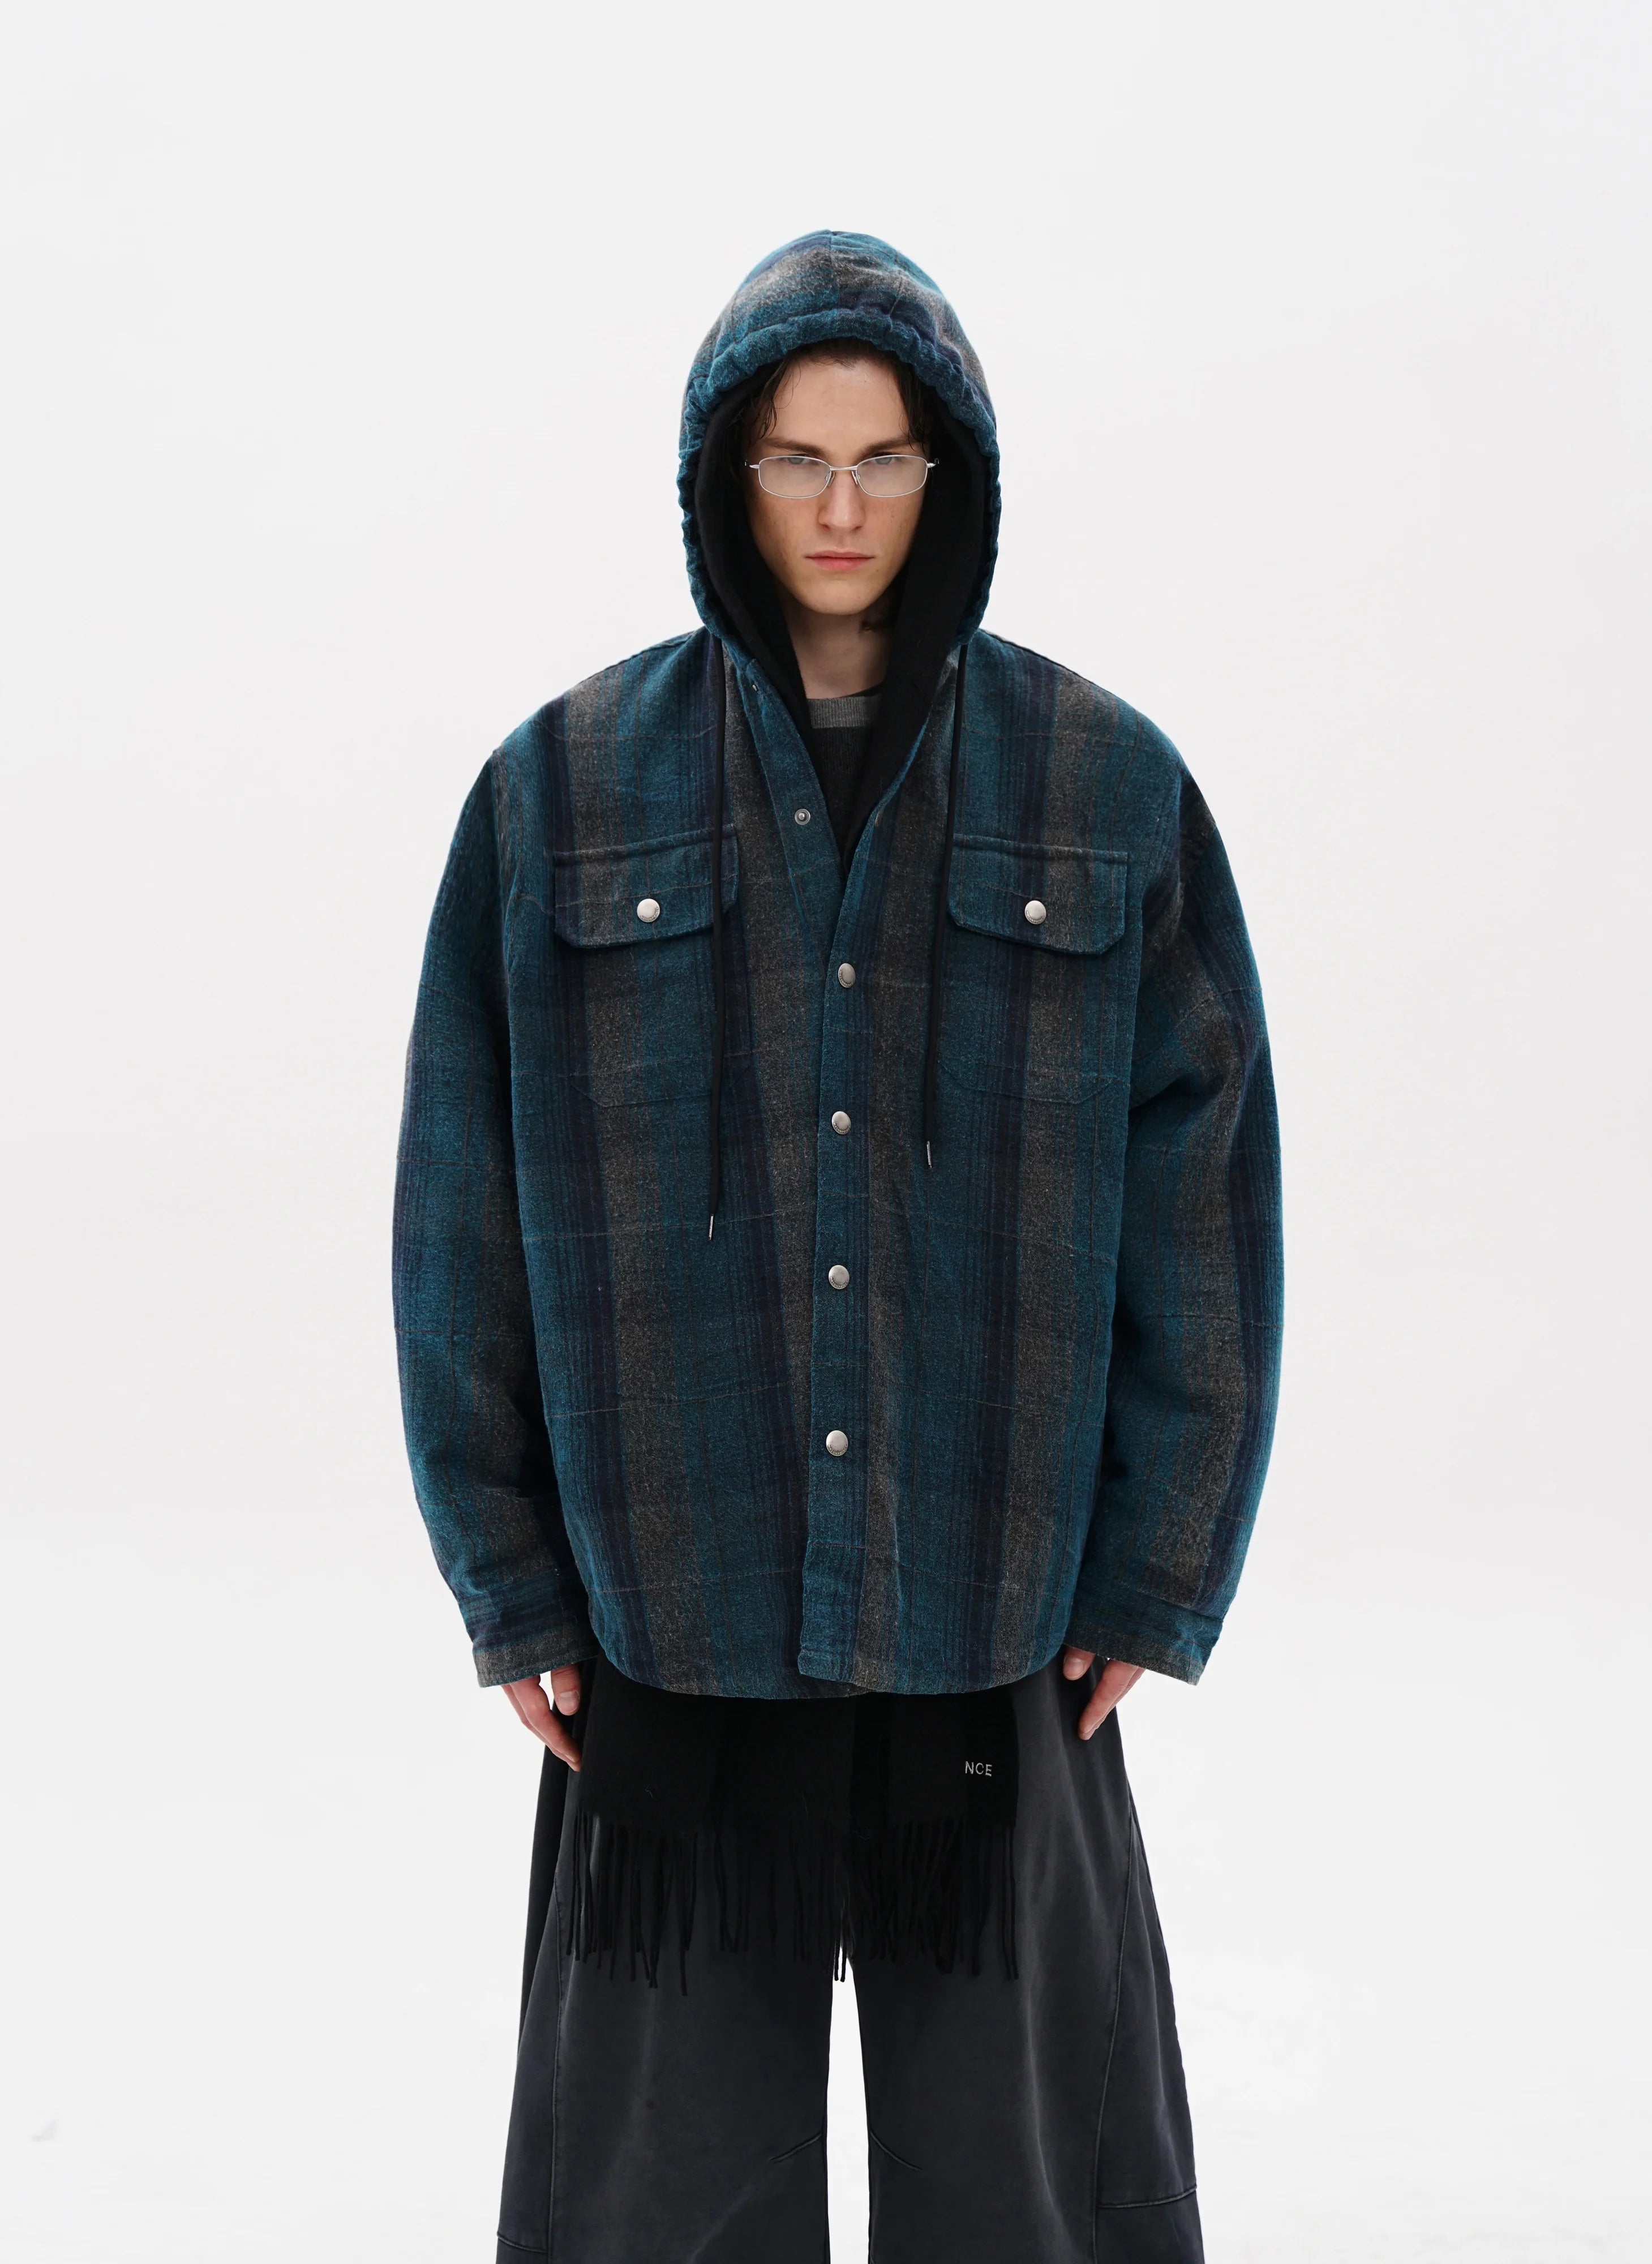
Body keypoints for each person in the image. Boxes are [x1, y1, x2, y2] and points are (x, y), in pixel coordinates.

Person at [393, 230, 1281, 2264]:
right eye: (798, 458)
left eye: (885, 457)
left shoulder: (1106, 786)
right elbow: (461, 1201)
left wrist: (1160, 1560)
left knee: (1026, 2183)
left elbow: (1205, 1191)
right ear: (725, 473)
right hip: (671, 1586)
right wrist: (508, 1575)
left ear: (951, 472)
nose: (844, 506)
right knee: (661, 2187)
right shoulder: (558, 795)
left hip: (999, 1585)